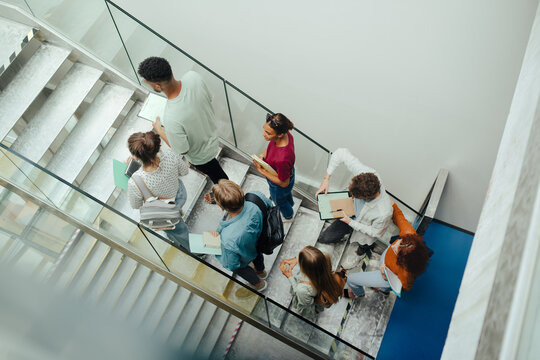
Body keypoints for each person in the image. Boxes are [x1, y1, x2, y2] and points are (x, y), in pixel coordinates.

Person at [137, 57, 228, 203]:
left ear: (158, 86)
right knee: (209, 168)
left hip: (201, 155)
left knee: (217, 175)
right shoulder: (193, 77)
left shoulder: (171, 118)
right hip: (211, 134)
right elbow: (208, 99)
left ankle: (225, 194)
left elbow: (182, 150)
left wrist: (160, 131)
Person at [315, 148, 393, 257]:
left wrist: (350, 222)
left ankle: (361, 252)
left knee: (364, 244)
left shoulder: (384, 212)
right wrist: (326, 179)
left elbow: (376, 232)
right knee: (327, 237)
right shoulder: (367, 174)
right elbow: (341, 153)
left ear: (366, 198)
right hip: (348, 213)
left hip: (361, 226)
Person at [344, 204, 430, 297]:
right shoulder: (409, 235)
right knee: (383, 282)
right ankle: (383, 290)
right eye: (399, 241)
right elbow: (398, 215)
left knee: (351, 280)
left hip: (386, 275)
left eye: (396, 251)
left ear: (403, 260)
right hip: (386, 262)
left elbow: (405, 286)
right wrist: (390, 203)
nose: (393, 246)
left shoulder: (406, 272)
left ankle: (358, 294)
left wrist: (385, 277)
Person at [127, 131, 190, 250]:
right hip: (180, 194)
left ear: (135, 157)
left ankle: (197, 252)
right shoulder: (170, 155)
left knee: (179, 232)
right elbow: (184, 171)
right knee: (178, 227)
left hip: (166, 212)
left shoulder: (135, 182)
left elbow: (136, 205)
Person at [211, 180, 271, 291]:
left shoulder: (228, 240)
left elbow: (232, 265)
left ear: (221, 206)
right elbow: (270, 208)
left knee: (241, 269)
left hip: (247, 254)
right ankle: (261, 271)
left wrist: (217, 244)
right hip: (260, 242)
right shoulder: (256, 196)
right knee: (258, 255)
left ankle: (258, 284)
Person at [280, 246, 346, 320]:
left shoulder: (303, 289)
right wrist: (296, 259)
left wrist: (290, 276)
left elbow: (302, 298)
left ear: (304, 268)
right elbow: (314, 258)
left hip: (308, 300)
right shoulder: (324, 255)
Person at [253, 113, 296, 220]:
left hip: (279, 184)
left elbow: (284, 183)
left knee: (279, 201)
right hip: (287, 173)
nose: (263, 134)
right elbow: (271, 148)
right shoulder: (287, 135)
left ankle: (288, 215)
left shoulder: (282, 159)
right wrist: (262, 156)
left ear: (280, 134)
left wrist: (262, 171)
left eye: (268, 133)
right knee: (286, 194)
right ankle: (290, 203)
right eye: (264, 129)